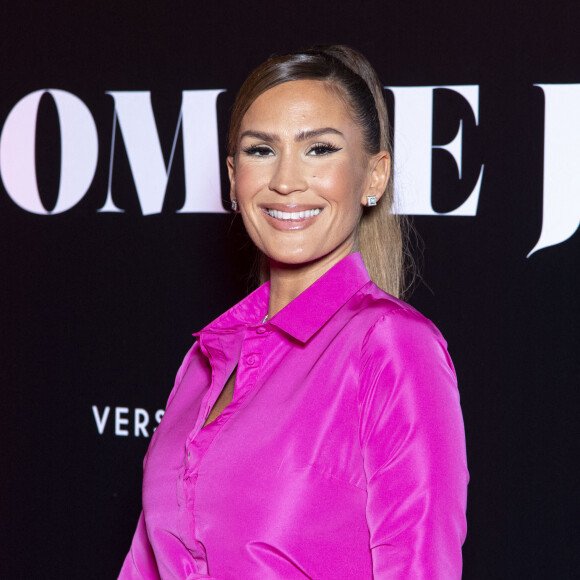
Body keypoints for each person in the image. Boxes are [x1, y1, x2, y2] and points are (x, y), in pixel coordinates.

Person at [119, 45, 468, 579]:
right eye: (262, 150)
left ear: (374, 177)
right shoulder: (204, 360)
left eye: (319, 149)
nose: (286, 180)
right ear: (233, 178)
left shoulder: (391, 345)